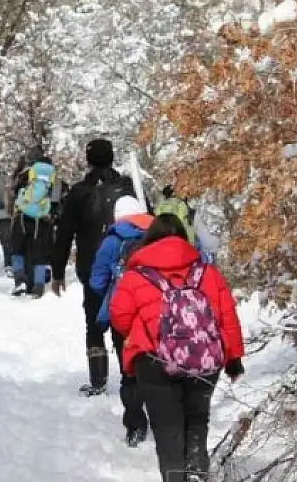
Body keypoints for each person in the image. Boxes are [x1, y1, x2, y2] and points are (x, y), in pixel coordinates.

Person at [109, 214, 245, 482]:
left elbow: (119, 316)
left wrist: (143, 335)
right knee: (196, 420)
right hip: (203, 358)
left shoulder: (135, 276)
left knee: (167, 429)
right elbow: (227, 316)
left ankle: (175, 477)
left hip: (154, 361)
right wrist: (233, 358)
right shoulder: (207, 272)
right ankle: (196, 471)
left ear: (150, 240)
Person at [52, 138, 136, 395]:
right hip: (127, 265)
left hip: (91, 265)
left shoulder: (79, 192)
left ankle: (98, 380)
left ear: (88, 159)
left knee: (94, 321)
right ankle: (129, 375)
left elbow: (65, 232)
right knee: (125, 320)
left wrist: (57, 272)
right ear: (112, 157)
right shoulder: (127, 188)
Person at [88, 196, 154, 445]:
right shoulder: (161, 233)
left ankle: (136, 424)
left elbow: (96, 281)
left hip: (124, 313)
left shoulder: (113, 241)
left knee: (130, 369)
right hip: (158, 310)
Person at [10, 149, 60, 298]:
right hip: (42, 220)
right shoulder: (54, 178)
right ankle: (38, 286)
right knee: (40, 254)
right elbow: (56, 200)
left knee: (18, 250)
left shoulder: (24, 174)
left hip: (22, 217)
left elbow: (14, 193)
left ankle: (20, 280)